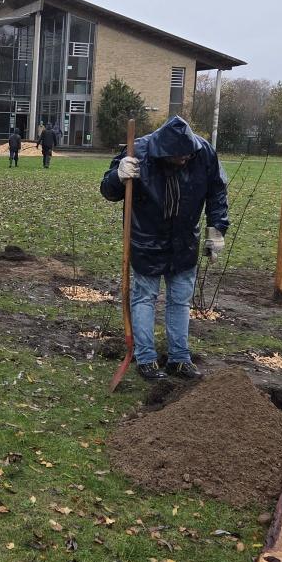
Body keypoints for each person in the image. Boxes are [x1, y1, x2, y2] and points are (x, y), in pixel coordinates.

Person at [100, 116, 229, 380]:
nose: (183, 160)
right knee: (144, 298)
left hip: (183, 241)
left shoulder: (203, 153)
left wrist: (216, 231)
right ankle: (146, 358)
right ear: (163, 152)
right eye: (177, 157)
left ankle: (179, 359)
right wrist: (118, 175)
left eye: (187, 156)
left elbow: (217, 192)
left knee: (180, 300)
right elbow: (108, 191)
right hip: (146, 239)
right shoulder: (138, 153)